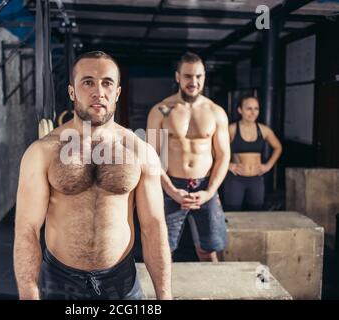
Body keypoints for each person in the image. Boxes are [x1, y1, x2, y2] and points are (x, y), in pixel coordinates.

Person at [13, 51, 172, 300]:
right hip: (59, 281)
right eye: (88, 82)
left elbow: (153, 226)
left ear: (117, 93)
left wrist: (165, 296)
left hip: (121, 282)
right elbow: (27, 229)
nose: (99, 92)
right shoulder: (42, 152)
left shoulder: (140, 151)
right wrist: (28, 294)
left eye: (107, 83)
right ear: (72, 92)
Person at [146, 52, 230, 262]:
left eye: (198, 76)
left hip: (205, 186)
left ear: (204, 77)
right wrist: (171, 190)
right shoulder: (162, 110)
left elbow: (223, 155)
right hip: (170, 185)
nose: (193, 81)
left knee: (209, 250)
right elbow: (152, 156)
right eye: (188, 76)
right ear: (177, 77)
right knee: (164, 250)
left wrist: (209, 191)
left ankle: (214, 295)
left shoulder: (215, 111)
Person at [223, 96, 282, 211]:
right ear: (240, 110)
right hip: (236, 179)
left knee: (256, 213)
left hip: (256, 180)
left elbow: (278, 147)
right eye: (249, 108)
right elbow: (214, 149)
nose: (253, 112)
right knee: (233, 213)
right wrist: (228, 165)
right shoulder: (231, 129)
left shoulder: (264, 130)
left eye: (256, 109)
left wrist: (268, 166)